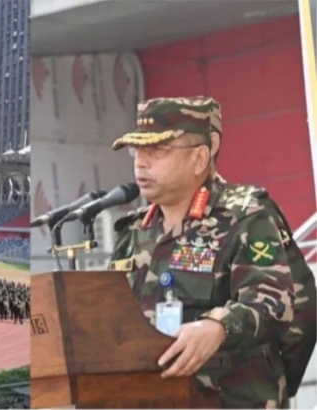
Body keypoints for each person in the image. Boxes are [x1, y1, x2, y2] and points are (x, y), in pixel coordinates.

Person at [108, 96, 311, 408]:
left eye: (158, 149)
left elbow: (281, 304)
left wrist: (219, 328)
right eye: (137, 150)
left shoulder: (245, 216)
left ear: (200, 157)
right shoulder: (133, 231)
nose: (141, 162)